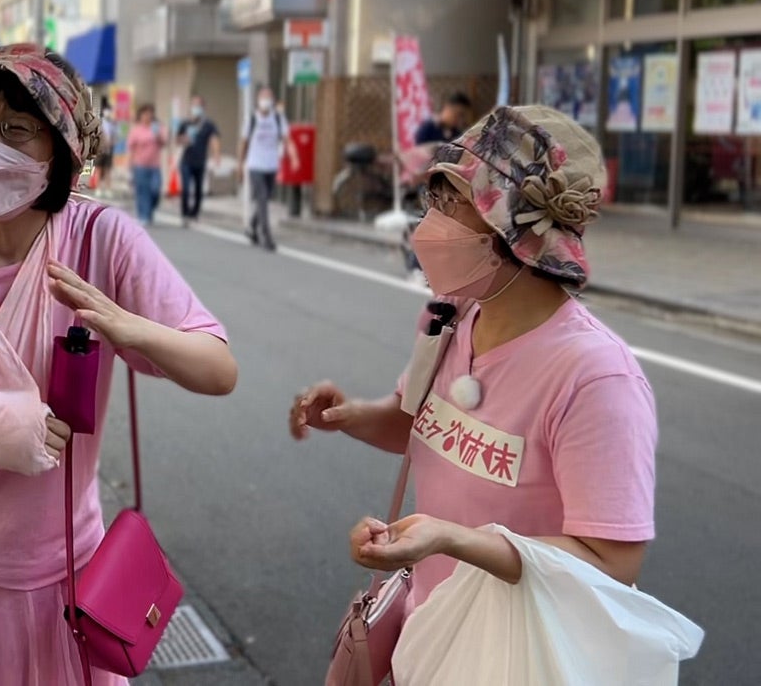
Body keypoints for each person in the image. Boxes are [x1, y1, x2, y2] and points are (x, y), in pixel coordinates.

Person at [0, 44, 239, 685]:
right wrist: (0, 425)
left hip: (56, 579)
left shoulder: (101, 242)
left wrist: (125, 325)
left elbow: (217, 366)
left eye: (18, 127)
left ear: (58, 150)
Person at [289, 106, 657, 649]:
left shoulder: (596, 379)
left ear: (509, 228)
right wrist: (351, 417)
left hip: (525, 656)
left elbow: (613, 561)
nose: (429, 224)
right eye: (431, 201)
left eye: (451, 203)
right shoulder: (450, 315)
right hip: (431, 638)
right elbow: (416, 425)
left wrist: (454, 540)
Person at [238, 86, 294, 251]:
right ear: (258, 100)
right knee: (261, 198)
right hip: (255, 164)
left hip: (271, 164)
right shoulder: (251, 119)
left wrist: (294, 156)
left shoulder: (278, 118)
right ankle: (266, 236)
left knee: (264, 199)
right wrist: (241, 164)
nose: (266, 100)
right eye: (263, 97)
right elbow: (243, 143)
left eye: (269, 97)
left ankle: (251, 227)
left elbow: (286, 139)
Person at [174, 94, 221, 226]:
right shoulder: (185, 123)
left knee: (199, 189)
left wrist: (216, 155)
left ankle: (194, 213)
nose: (196, 108)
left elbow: (214, 139)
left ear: (203, 107)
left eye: (199, 105)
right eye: (194, 105)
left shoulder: (208, 124)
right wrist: (185, 139)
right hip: (186, 160)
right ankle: (184, 214)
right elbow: (177, 140)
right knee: (186, 188)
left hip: (200, 161)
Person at [127, 103, 164, 225]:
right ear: (141, 116)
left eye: (149, 114)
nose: (147, 116)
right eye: (145, 114)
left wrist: (157, 135)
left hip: (155, 166)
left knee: (155, 190)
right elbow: (131, 149)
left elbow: (164, 142)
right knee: (142, 191)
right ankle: (144, 215)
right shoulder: (136, 130)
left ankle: (150, 210)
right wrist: (130, 165)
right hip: (140, 166)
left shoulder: (157, 127)